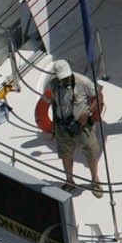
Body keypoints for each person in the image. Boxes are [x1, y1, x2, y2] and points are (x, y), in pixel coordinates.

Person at [47, 59, 104, 196]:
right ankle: (69, 180)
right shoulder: (54, 84)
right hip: (62, 125)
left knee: (90, 152)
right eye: (62, 78)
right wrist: (54, 125)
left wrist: (88, 112)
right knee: (65, 153)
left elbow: (99, 97)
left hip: (82, 126)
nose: (64, 81)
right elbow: (54, 104)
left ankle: (95, 180)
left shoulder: (83, 82)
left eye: (66, 77)